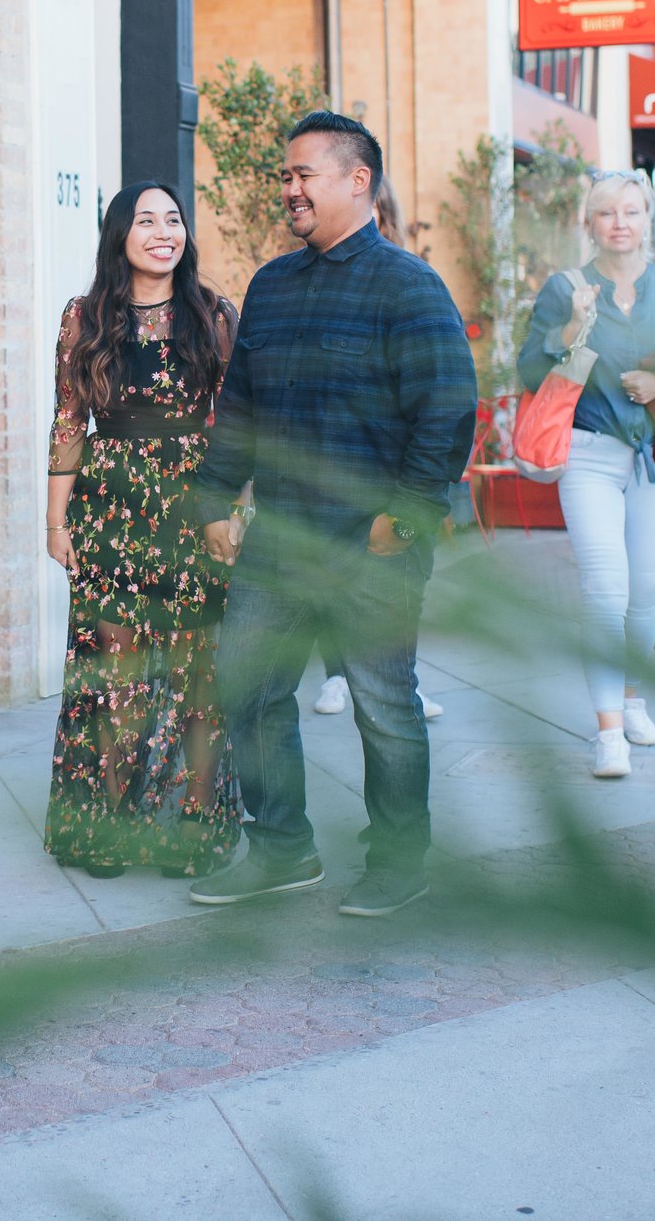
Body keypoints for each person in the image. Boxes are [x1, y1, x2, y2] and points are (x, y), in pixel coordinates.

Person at [186, 111, 477, 920]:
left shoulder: (409, 286)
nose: (289, 189)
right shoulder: (272, 286)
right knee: (250, 688)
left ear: (359, 181)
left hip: (369, 544)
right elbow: (239, 406)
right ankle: (282, 849)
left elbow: (447, 407)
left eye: (303, 174)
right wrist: (215, 497)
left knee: (385, 707)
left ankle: (398, 859)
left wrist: (405, 518)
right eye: (284, 176)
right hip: (279, 538)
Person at [44, 182, 243, 878]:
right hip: (112, 504)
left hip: (193, 503)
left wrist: (234, 511)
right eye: (146, 220)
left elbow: (235, 422)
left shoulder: (212, 313)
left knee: (194, 673)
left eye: (174, 219)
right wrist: (55, 517)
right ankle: (112, 824)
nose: (164, 231)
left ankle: (192, 824)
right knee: (114, 670)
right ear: (119, 235)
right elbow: (69, 419)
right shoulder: (85, 316)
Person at [517, 173, 655, 779]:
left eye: (630, 211)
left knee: (645, 594)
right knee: (605, 592)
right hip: (589, 452)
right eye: (605, 213)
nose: (619, 222)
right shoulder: (566, 288)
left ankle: (633, 697)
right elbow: (529, 369)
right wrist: (567, 329)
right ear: (589, 223)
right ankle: (609, 732)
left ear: (647, 220)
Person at [313, 166, 445, 725]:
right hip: (326, 461)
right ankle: (337, 672)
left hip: (389, 474)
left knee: (391, 594)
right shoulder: (311, 275)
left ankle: (397, 681)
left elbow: (440, 405)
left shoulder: (410, 280)